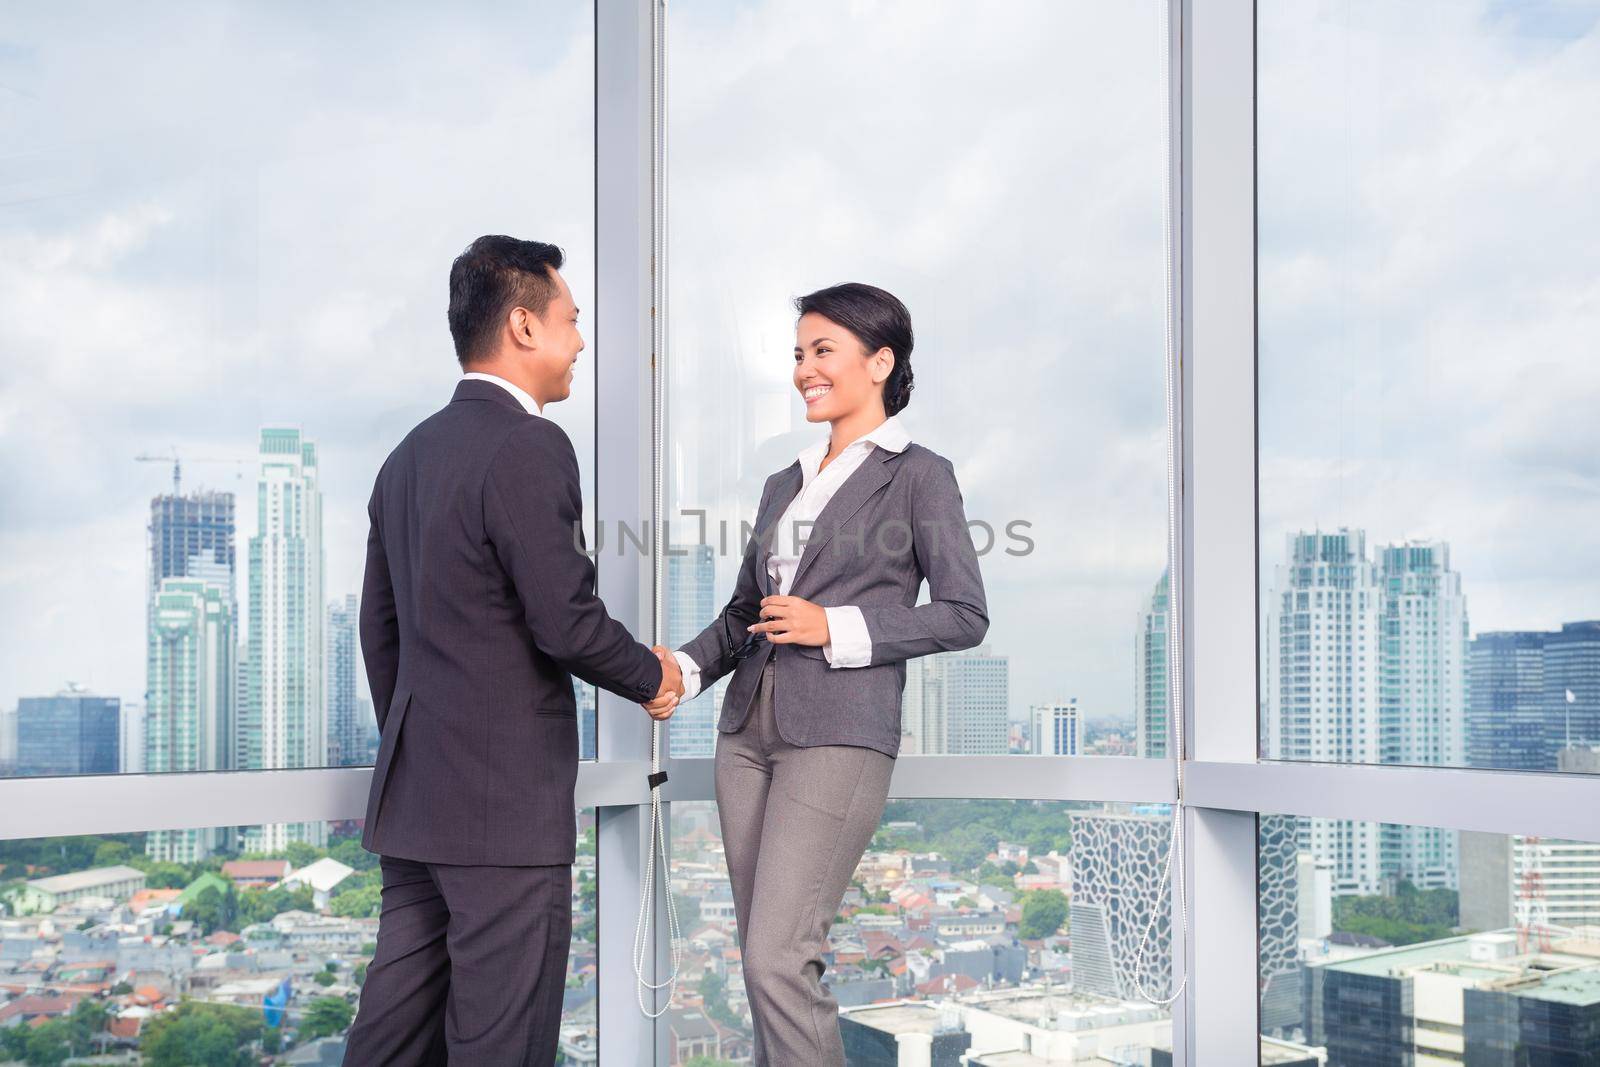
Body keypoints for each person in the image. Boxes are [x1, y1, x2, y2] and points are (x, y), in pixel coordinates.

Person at [344, 235, 683, 1066]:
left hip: (417, 802)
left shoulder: (406, 457)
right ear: (524, 326)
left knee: (390, 1037)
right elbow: (564, 619)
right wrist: (654, 676)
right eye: (571, 321)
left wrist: (427, 742)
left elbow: (378, 630)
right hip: (501, 818)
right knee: (501, 1044)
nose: (578, 342)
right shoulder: (528, 445)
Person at [673, 282, 989, 1065]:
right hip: (747, 732)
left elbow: (964, 612)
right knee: (764, 958)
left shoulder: (920, 474)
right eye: (798, 354)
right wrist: (680, 669)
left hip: (840, 734)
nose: (804, 370)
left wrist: (833, 625)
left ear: (880, 361)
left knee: (776, 958)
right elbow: (746, 611)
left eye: (823, 351)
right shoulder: (786, 482)